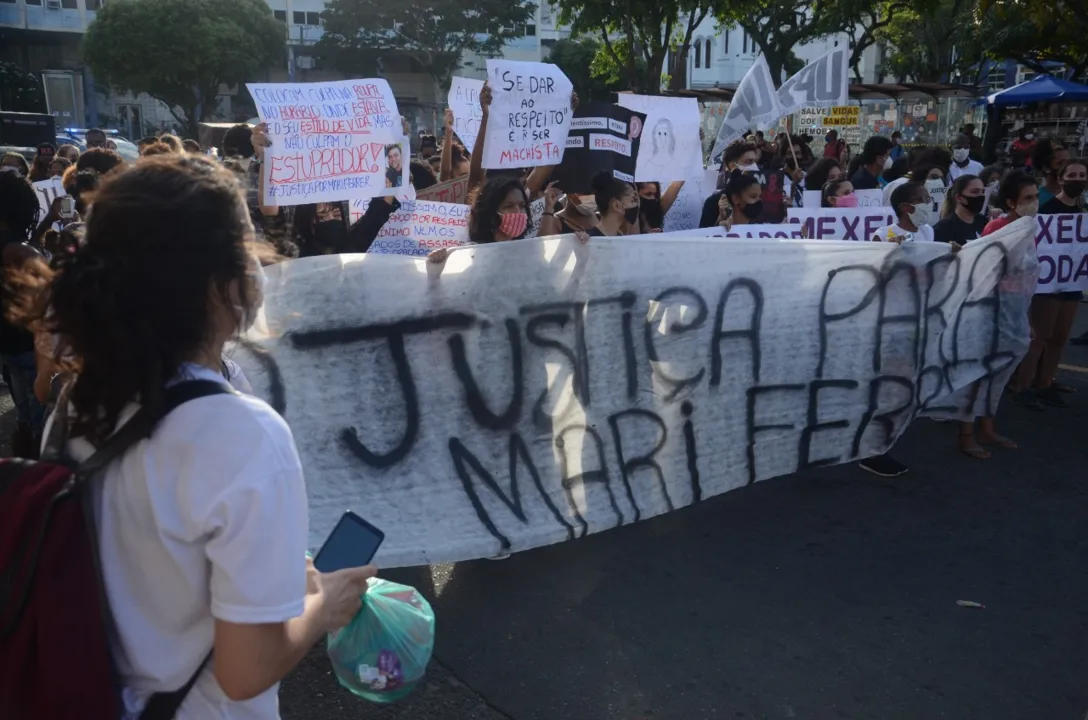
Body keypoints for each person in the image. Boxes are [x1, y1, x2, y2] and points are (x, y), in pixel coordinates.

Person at [10, 153, 375, 716]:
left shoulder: (77, 400)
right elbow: (245, 670)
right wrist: (325, 603)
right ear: (220, 282)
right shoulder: (245, 434)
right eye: (249, 247)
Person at [1023, 158, 1087, 402]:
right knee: (1041, 337)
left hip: (1071, 281)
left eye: (1082, 175)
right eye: (1073, 175)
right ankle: (1023, 386)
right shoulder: (1046, 210)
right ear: (1061, 179)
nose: (1078, 180)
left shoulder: (1082, 213)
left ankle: (1045, 382)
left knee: (1060, 336)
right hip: (1048, 284)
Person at [0, 171, 48, 457]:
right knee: (42, 416)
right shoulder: (18, 250)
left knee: (25, 412)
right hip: (30, 344)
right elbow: (53, 292)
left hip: (6, 343)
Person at [699, 140, 759, 227]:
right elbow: (702, 237)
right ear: (732, 166)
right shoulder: (713, 202)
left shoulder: (765, 199)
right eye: (748, 162)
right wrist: (720, 221)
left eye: (755, 162)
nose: (754, 167)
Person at [467, 175, 530, 243]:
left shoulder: (527, 248)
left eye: (522, 206)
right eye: (509, 206)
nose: (518, 212)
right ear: (490, 211)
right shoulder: (472, 250)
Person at [872, 180, 936, 243]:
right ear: (904, 207)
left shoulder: (927, 230)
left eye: (928, 199)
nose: (927, 203)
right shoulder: (882, 235)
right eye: (921, 199)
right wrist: (890, 247)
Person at [933, 174, 987, 245]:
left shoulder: (983, 221)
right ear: (958, 198)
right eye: (975, 192)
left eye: (983, 191)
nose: (981, 196)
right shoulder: (943, 228)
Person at [588, 172, 639, 237]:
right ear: (617, 206)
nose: (636, 205)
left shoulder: (619, 236)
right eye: (633, 201)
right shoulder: (590, 241)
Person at [1032, 139, 1070, 206]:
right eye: (1061, 163)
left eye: (1069, 162)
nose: (1068, 167)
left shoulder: (1083, 197)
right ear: (1046, 168)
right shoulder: (1035, 200)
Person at [439, 110, 471, 180]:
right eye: (463, 175)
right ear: (451, 175)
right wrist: (448, 131)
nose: (467, 179)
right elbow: (445, 172)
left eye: (469, 175)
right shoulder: (448, 188)